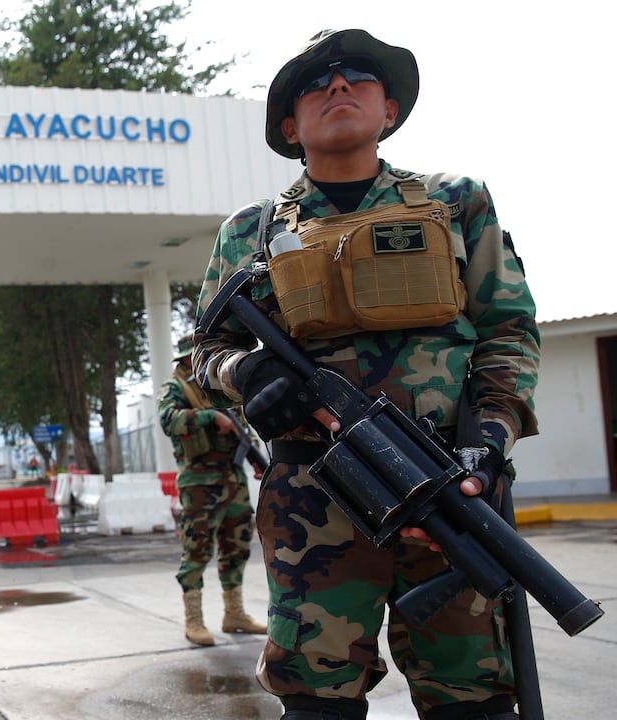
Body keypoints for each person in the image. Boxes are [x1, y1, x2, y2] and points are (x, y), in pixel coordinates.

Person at [190, 29, 539, 720]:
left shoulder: (455, 202)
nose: (338, 87)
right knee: (317, 702)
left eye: (358, 77)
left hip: (450, 487)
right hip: (314, 499)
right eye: (315, 83)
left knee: (473, 696)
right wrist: (247, 373)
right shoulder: (252, 231)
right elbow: (202, 354)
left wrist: (490, 441)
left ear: (391, 111)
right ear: (289, 126)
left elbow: (509, 330)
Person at [158, 334, 267, 646]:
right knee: (197, 549)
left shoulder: (218, 389)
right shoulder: (176, 387)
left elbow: (242, 430)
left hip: (233, 479)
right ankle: (194, 620)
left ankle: (234, 614)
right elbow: (169, 421)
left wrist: (253, 459)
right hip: (199, 483)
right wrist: (210, 416)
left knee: (238, 547)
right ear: (186, 359)